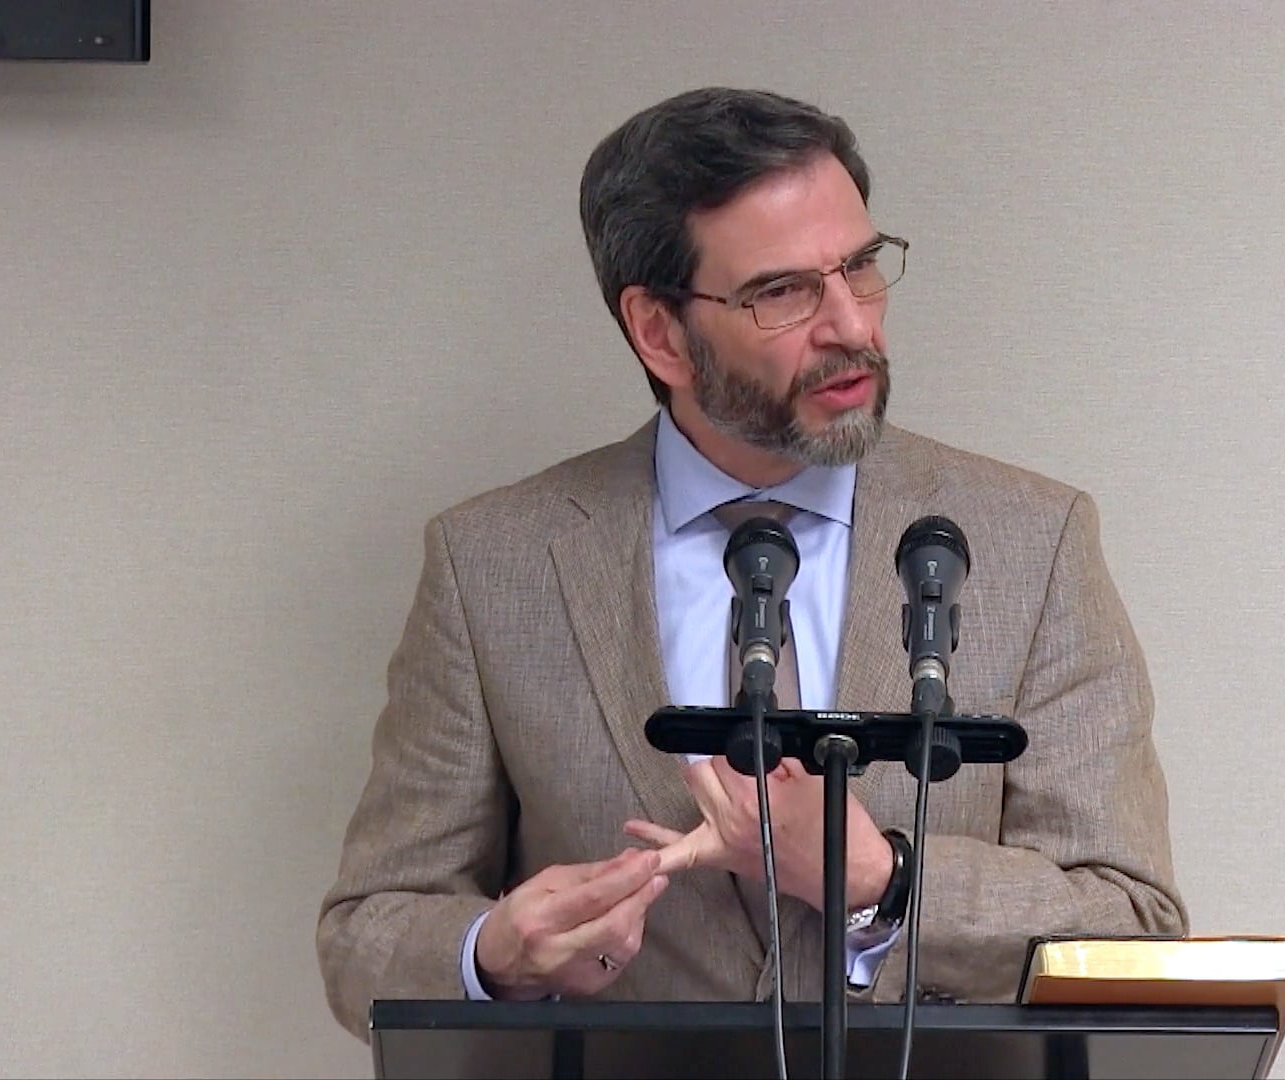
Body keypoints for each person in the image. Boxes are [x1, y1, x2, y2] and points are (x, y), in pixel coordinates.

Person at [316, 86, 1186, 1053]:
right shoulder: (493, 565)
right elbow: (367, 936)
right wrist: (495, 952)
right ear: (659, 332)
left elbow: (1133, 926)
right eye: (782, 292)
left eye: (861, 266)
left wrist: (882, 878)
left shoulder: (1033, 541)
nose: (852, 326)